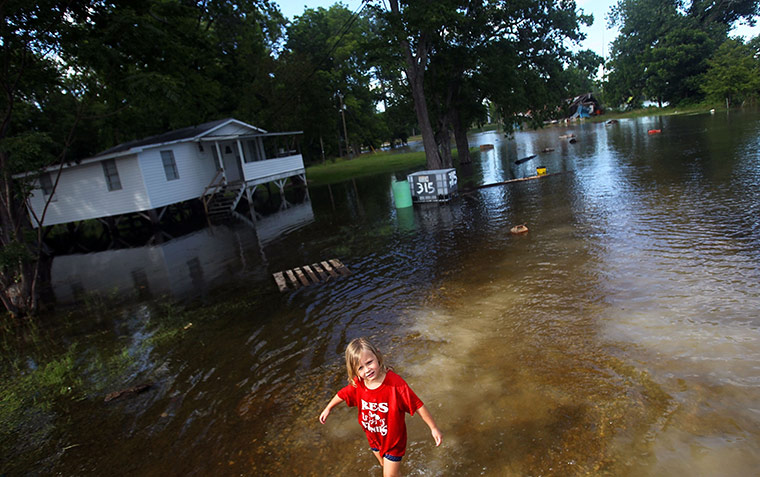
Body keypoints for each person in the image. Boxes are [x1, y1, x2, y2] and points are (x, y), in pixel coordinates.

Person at [319, 337, 442, 477]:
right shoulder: (358, 383)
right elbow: (342, 394)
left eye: (369, 362)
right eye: (360, 368)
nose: (367, 370)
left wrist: (433, 428)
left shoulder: (395, 384)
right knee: (386, 467)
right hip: (373, 437)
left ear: (377, 356)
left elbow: (417, 405)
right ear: (354, 371)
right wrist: (328, 408)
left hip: (393, 440)